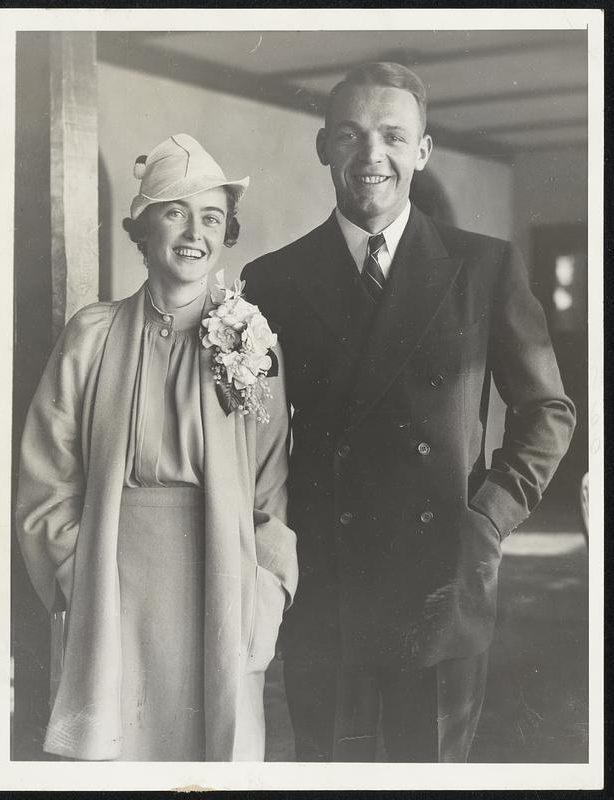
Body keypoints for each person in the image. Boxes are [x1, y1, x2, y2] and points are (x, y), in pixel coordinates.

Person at [241, 63, 576, 762]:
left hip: (439, 581)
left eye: (393, 136)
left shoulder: (484, 267)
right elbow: (249, 430)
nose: (372, 156)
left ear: (421, 151)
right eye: (351, 135)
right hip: (325, 583)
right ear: (323, 147)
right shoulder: (273, 279)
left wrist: (485, 520)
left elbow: (547, 410)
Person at [16, 133, 298, 762]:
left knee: (208, 751)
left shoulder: (251, 343)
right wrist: (74, 577)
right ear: (142, 229)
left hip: (220, 575)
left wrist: (265, 588)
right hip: (110, 576)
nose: (194, 231)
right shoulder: (90, 337)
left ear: (227, 233)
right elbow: (48, 476)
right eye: (175, 211)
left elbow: (271, 488)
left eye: (212, 217)